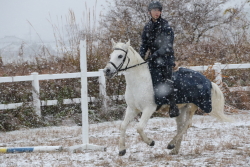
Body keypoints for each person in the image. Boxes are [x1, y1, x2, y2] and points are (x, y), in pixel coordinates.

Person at [139, 1, 179, 117]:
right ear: (149, 12)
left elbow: (167, 46)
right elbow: (144, 44)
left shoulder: (166, 26)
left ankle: (173, 106)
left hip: (165, 58)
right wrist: (140, 57)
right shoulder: (147, 27)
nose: (157, 12)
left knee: (167, 81)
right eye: (154, 10)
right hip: (152, 60)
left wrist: (154, 55)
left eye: (159, 10)